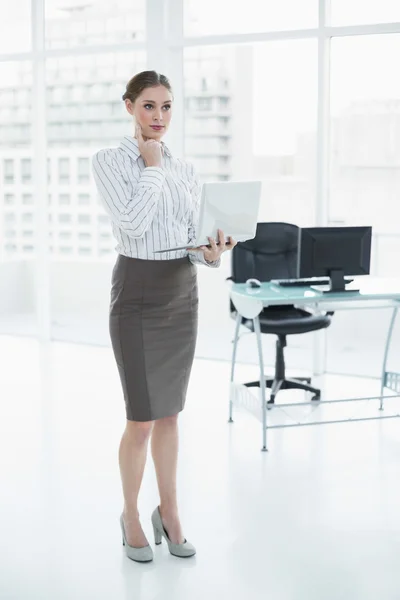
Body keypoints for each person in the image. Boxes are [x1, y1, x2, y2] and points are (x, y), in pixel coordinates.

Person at [92, 70, 236, 562]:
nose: (159, 117)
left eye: (167, 107)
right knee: (141, 419)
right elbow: (131, 223)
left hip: (182, 292)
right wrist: (151, 165)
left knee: (171, 414)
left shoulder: (187, 168)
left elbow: (189, 242)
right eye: (150, 106)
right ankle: (131, 514)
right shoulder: (110, 161)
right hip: (136, 294)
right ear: (129, 105)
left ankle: (170, 513)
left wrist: (213, 252)